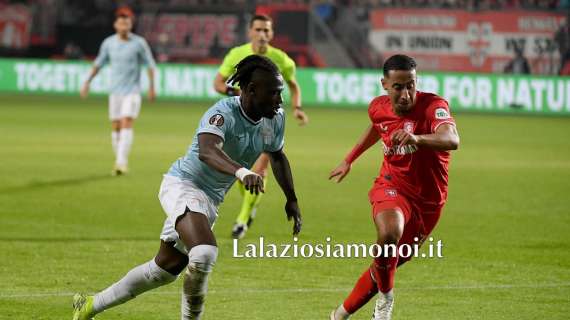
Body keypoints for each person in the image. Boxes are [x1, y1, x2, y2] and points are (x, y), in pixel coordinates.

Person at [72, 55, 302, 320]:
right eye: (273, 93)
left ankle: (89, 304)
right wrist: (241, 171)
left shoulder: (275, 118)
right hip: (183, 185)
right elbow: (207, 151)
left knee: (164, 269)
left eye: (280, 93)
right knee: (204, 252)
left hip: (210, 201)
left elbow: (277, 156)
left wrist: (291, 199)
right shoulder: (222, 113)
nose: (280, 100)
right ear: (251, 90)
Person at [328, 54, 460, 320]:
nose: (405, 93)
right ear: (385, 85)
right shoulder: (377, 107)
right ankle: (386, 299)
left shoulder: (433, 106)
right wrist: (349, 159)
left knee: (386, 263)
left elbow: (451, 138)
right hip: (392, 185)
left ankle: (338, 316)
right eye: (398, 86)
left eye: (410, 85)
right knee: (389, 232)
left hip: (429, 201)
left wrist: (417, 138)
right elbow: (377, 126)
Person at [213, 13, 309, 239]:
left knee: (260, 168)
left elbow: (294, 86)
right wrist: (237, 92)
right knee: (241, 168)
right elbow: (217, 83)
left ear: (272, 33)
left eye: (267, 30)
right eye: (258, 30)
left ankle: (242, 219)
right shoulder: (237, 54)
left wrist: (297, 108)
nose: (262, 35)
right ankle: (250, 206)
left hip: (267, 119)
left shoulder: (282, 59)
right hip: (239, 118)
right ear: (250, 32)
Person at [80, 6, 156, 176]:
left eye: (127, 23)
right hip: (115, 92)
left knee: (126, 121)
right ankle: (119, 159)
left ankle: (121, 162)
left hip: (132, 91)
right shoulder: (109, 43)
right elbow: (99, 63)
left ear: (131, 25)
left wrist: (151, 86)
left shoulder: (139, 43)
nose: (124, 25)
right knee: (115, 126)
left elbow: (150, 65)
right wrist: (87, 82)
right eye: (121, 22)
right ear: (116, 25)